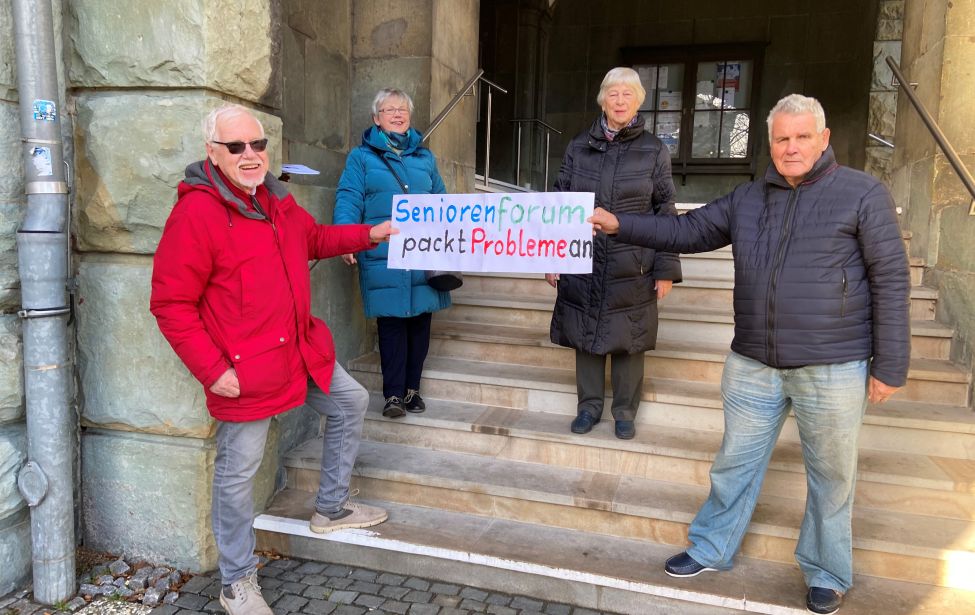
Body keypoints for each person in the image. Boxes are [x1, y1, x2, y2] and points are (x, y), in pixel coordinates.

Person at [589, 94, 910, 615]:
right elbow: (686, 230)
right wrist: (619, 223)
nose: (791, 147)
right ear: (770, 143)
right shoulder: (749, 198)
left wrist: (890, 363)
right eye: (781, 138)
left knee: (832, 478)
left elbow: (891, 280)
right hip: (753, 362)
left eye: (802, 136)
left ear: (824, 139)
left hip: (833, 364)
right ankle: (711, 547)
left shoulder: (862, 193)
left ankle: (827, 570)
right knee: (734, 464)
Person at [150, 104, 396, 615]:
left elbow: (316, 238)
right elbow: (171, 304)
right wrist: (214, 371)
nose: (249, 155)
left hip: (298, 350)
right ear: (212, 153)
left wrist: (370, 233)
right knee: (238, 475)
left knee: (350, 401)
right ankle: (236, 581)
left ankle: (330, 507)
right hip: (247, 370)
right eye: (235, 146)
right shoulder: (197, 212)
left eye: (257, 145)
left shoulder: (275, 201)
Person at [547, 66, 682, 440]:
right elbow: (559, 202)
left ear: (638, 100)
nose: (619, 101)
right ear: (602, 99)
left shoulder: (654, 150)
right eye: (613, 93)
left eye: (627, 94)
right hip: (583, 258)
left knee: (630, 339)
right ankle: (588, 407)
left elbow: (666, 210)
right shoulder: (579, 146)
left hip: (633, 261)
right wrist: (552, 256)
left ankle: (624, 411)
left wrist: (665, 268)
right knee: (585, 334)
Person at [334, 88, 451, 419]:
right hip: (384, 250)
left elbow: (443, 202)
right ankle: (393, 395)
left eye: (403, 109)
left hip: (423, 252)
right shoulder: (362, 158)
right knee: (392, 324)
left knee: (420, 323)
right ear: (376, 118)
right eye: (389, 110)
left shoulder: (425, 158)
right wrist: (347, 237)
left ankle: (413, 390)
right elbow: (348, 197)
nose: (398, 114)